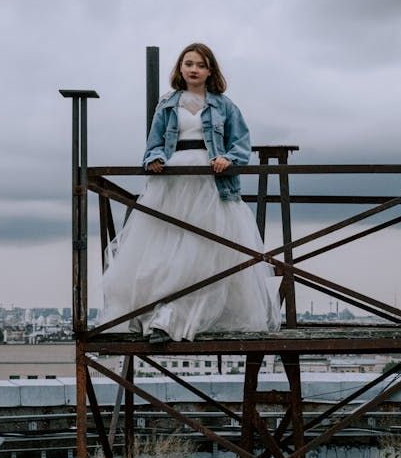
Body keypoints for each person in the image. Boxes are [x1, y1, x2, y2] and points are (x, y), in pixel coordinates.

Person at [99, 43, 279, 342]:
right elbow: (154, 142)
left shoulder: (225, 106)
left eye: (200, 64)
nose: (194, 69)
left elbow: (241, 143)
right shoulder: (168, 104)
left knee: (204, 249)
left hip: (210, 180)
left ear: (210, 71)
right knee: (164, 246)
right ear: (180, 68)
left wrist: (229, 159)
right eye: (188, 63)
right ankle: (154, 313)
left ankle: (175, 318)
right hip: (174, 179)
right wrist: (154, 158)